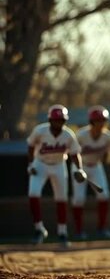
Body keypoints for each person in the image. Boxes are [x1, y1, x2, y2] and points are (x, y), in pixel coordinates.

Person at [27, 104, 87, 247]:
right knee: (33, 193)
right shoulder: (40, 131)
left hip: (59, 165)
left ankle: (62, 232)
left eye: (61, 120)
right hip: (40, 164)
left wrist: (79, 169)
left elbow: (74, 153)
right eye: (56, 120)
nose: (58, 123)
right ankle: (39, 229)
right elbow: (30, 145)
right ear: (50, 120)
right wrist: (31, 164)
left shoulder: (68, 134)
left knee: (61, 198)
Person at [71, 106, 110, 239]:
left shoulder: (108, 136)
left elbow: (109, 155)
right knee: (78, 199)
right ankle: (78, 231)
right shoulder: (81, 135)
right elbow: (72, 153)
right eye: (98, 121)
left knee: (104, 196)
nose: (101, 123)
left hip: (96, 166)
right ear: (91, 122)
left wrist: (108, 156)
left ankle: (102, 228)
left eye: (103, 120)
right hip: (80, 167)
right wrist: (78, 169)